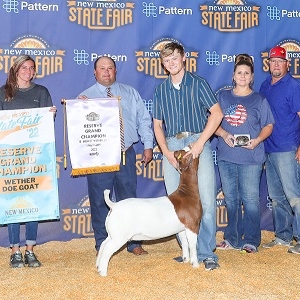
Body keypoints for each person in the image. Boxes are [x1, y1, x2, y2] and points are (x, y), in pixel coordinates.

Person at [153, 42, 223, 270]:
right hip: (173, 145)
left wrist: (200, 143)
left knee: (206, 201)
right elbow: (157, 125)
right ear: (163, 64)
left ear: (184, 58)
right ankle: (187, 251)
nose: (171, 63)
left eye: (174, 58)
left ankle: (206, 252)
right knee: (175, 202)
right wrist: (166, 152)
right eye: (166, 60)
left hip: (196, 142)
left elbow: (217, 114)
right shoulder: (161, 90)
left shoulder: (199, 83)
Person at [78, 56, 153, 255]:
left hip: (125, 153)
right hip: (99, 157)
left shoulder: (130, 93)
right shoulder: (85, 97)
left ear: (115, 70)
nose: (106, 71)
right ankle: (102, 243)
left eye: (110, 68)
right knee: (99, 200)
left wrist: (148, 146)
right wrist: (78, 109)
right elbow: (79, 127)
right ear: (95, 72)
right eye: (102, 68)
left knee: (129, 200)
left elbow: (144, 120)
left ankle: (134, 243)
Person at [0, 55, 57, 268]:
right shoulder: (2, 93)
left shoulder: (41, 93)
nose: (28, 71)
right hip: (10, 159)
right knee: (13, 202)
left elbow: (45, 124)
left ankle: (30, 249)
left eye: (31, 67)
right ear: (15, 70)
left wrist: (49, 114)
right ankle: (15, 250)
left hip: (34, 157)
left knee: (34, 201)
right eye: (24, 67)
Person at [215, 54, 274, 253]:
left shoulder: (259, 99)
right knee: (230, 198)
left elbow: (268, 125)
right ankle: (231, 238)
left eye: (246, 73)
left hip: (252, 157)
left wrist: (257, 140)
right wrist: (223, 134)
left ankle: (251, 240)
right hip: (226, 157)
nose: (242, 76)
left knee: (250, 199)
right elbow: (212, 124)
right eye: (239, 72)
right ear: (233, 75)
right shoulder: (222, 97)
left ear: (251, 77)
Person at [259, 46, 300, 254]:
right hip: (269, 149)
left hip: (287, 148)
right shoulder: (265, 85)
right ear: (268, 64)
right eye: (272, 61)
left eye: (280, 61)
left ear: (287, 64)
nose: (276, 64)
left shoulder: (293, 86)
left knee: (294, 196)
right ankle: (283, 236)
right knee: (277, 197)